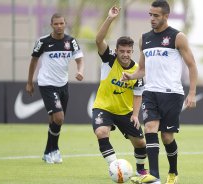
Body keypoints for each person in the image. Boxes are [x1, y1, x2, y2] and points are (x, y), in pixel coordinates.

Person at [122, 0, 198, 183]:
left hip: (172, 93)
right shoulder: (144, 38)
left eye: (156, 15)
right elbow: (142, 69)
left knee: (166, 136)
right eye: (150, 15)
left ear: (166, 16)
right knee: (149, 128)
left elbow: (192, 66)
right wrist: (131, 76)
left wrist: (192, 93)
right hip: (150, 92)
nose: (152, 19)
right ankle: (154, 176)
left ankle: (173, 172)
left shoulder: (177, 37)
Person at [92, 6, 148, 176]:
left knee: (140, 143)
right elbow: (98, 40)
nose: (124, 54)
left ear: (132, 52)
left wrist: (135, 115)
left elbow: (138, 94)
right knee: (101, 132)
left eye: (128, 51)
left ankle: (140, 170)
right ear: (116, 51)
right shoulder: (109, 60)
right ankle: (116, 167)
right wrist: (110, 18)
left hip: (126, 112)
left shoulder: (138, 71)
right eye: (121, 51)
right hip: (104, 107)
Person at [25, 13, 85, 164]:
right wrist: (30, 82)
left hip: (63, 84)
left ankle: (49, 152)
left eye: (61, 23)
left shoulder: (71, 41)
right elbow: (33, 60)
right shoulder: (43, 41)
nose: (59, 26)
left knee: (55, 119)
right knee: (59, 117)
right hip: (47, 84)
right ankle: (54, 150)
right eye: (56, 24)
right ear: (51, 25)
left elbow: (80, 60)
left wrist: (80, 71)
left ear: (65, 24)